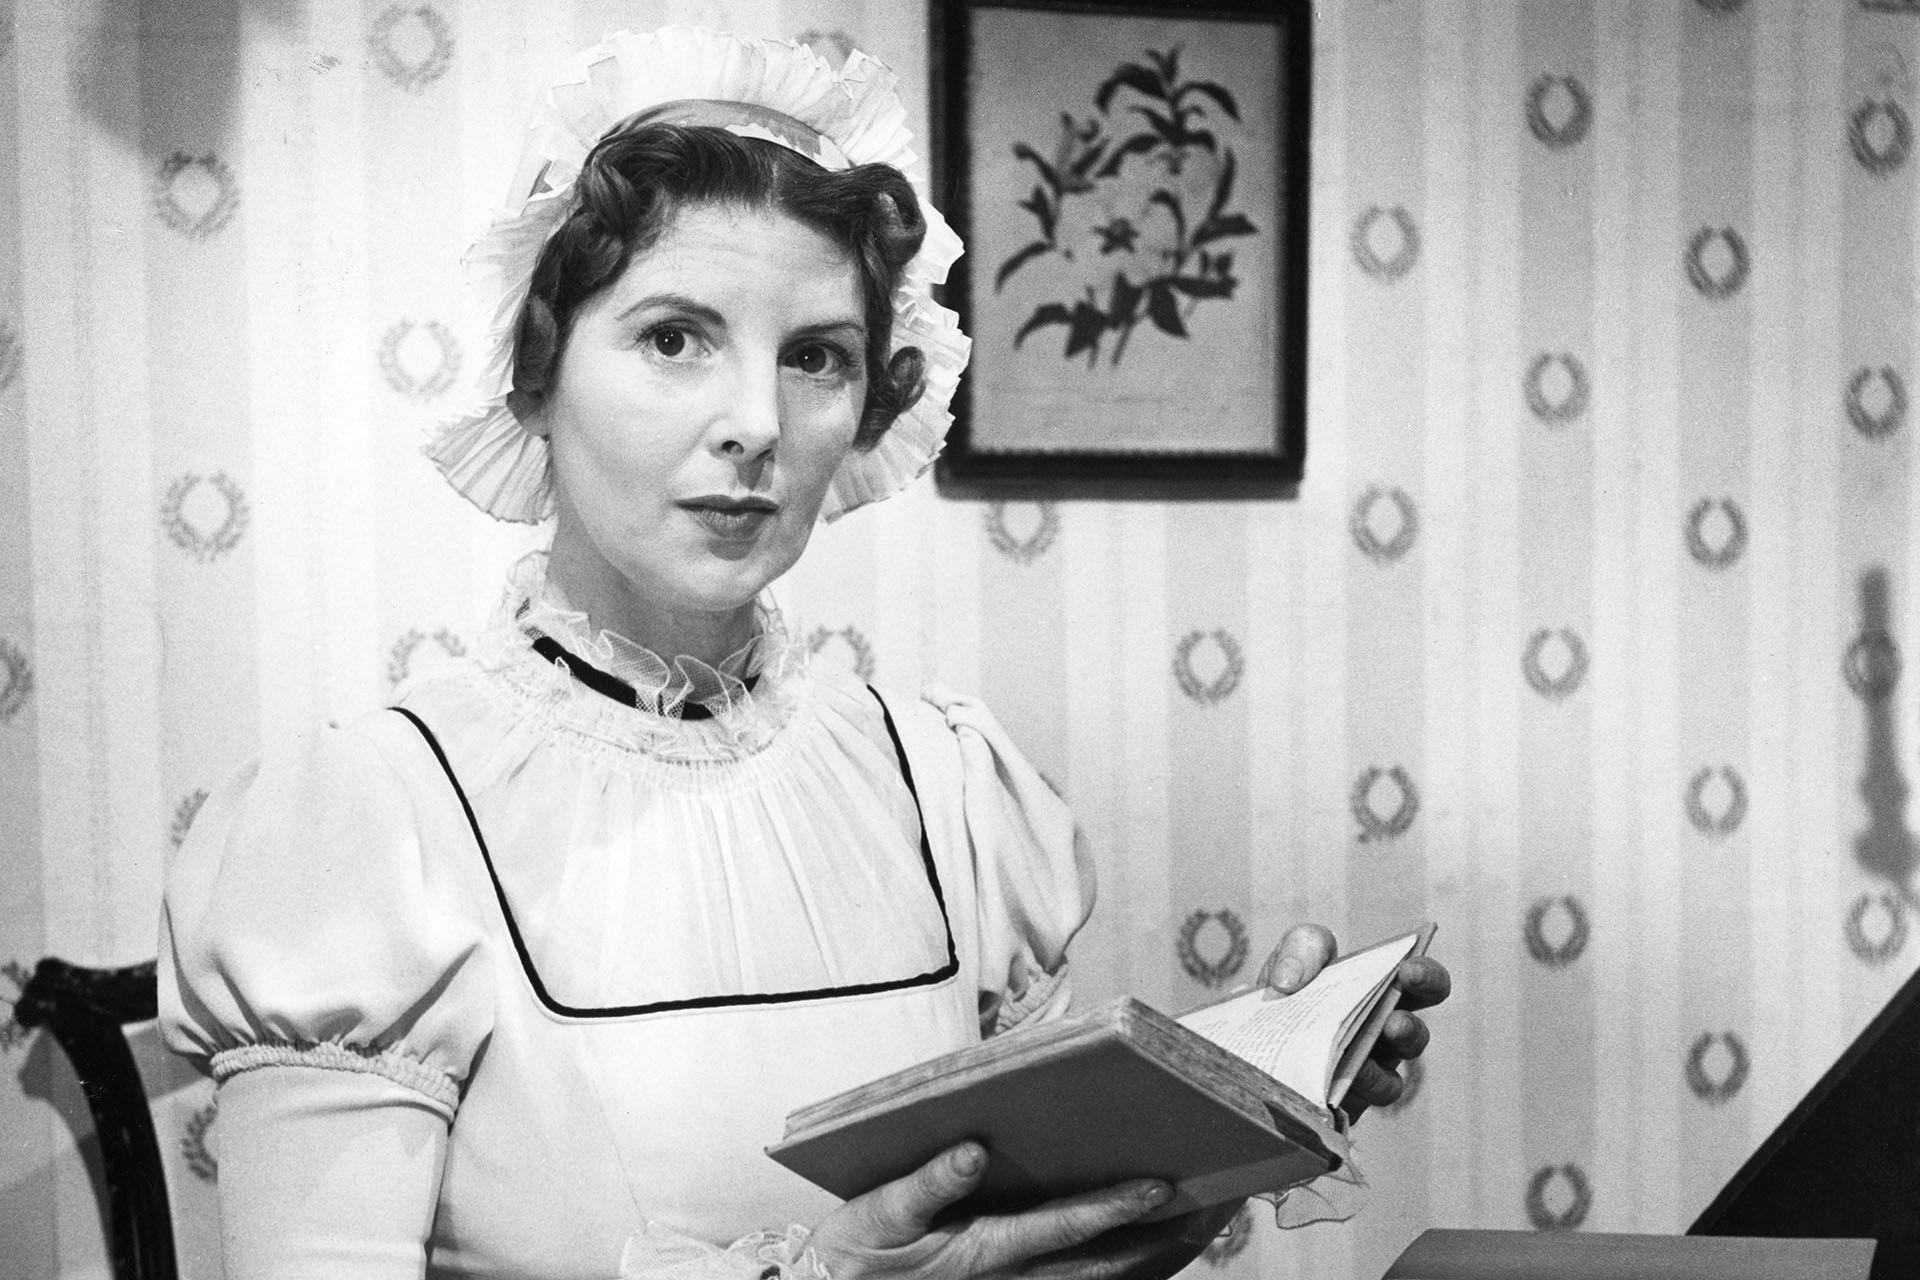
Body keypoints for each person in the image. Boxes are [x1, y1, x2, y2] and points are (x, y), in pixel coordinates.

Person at [159, 28, 1448, 1280]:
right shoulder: (369, 824)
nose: (757, 424)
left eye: (817, 358)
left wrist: (1237, 1088)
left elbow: (1026, 1241)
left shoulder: (944, 786)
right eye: (674, 338)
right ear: (538, 377)